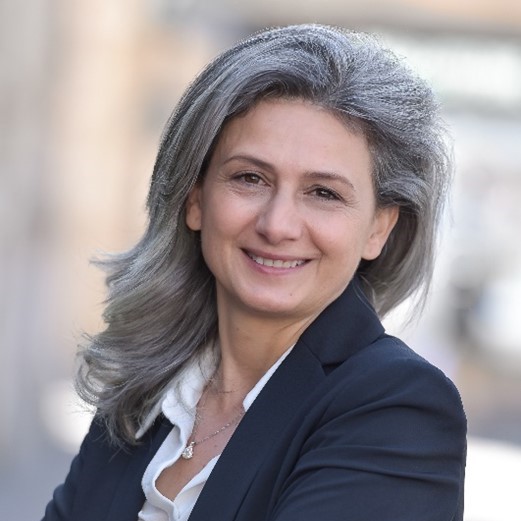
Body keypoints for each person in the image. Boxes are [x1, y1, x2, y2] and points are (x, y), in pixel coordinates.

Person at [43, 23, 466, 521]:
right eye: (250, 178)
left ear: (379, 228)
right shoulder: (146, 389)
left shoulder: (398, 411)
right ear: (195, 200)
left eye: (323, 193)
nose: (277, 224)